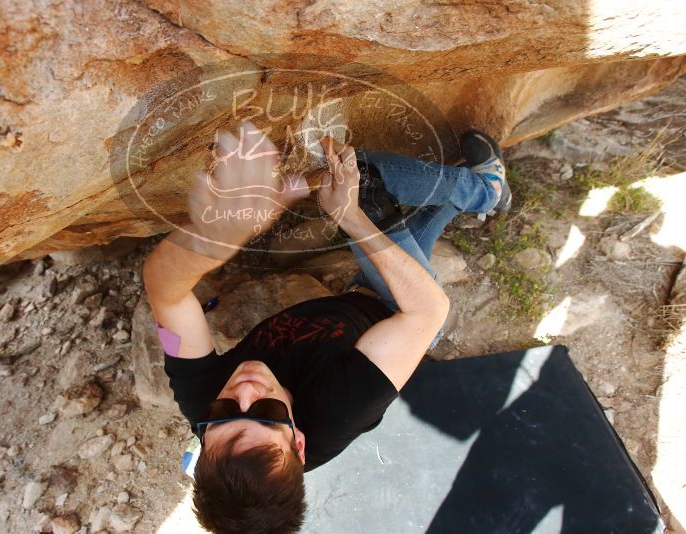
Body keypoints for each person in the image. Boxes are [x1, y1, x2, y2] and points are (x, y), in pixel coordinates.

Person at [142, 121, 510, 534]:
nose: (243, 389)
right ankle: (488, 190)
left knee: (416, 220)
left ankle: (462, 194)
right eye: (266, 412)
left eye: (223, 413)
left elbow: (165, 292)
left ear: (204, 441)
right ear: (299, 442)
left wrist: (217, 235)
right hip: (401, 313)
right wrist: (349, 217)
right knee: (363, 179)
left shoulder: (201, 403)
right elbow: (427, 312)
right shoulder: (341, 411)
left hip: (352, 300)